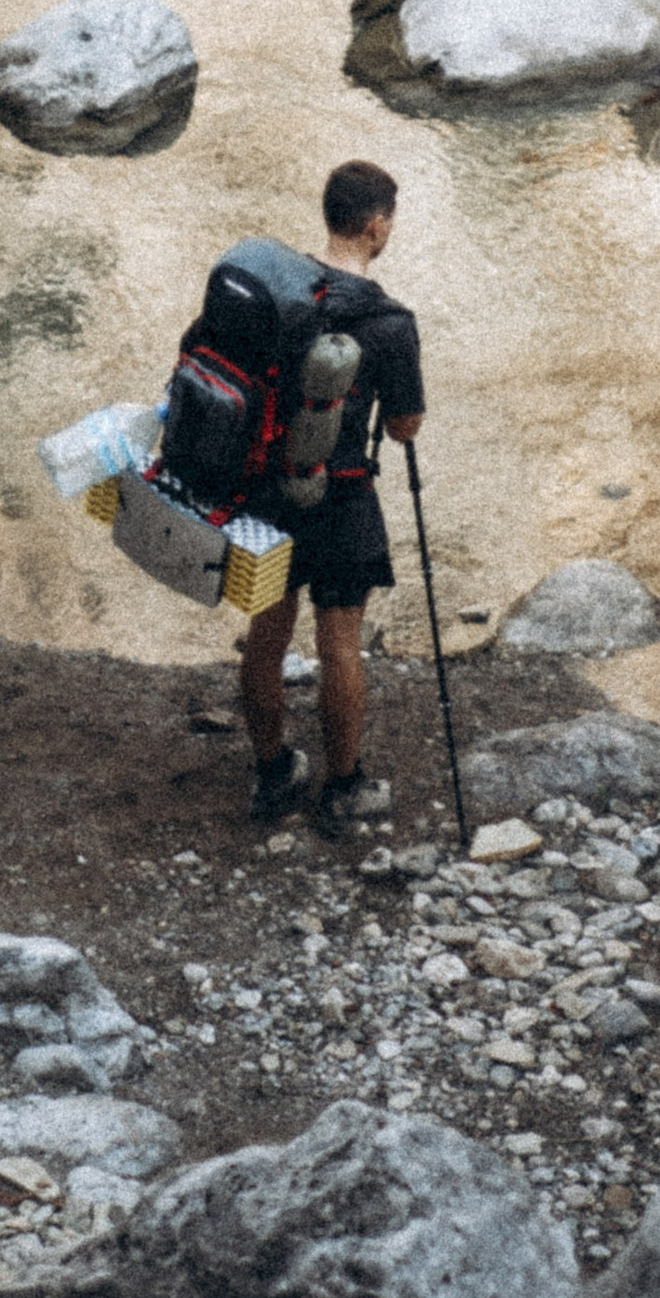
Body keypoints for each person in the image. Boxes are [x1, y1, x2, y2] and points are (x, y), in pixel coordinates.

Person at [239, 160, 426, 841]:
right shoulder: (391, 324)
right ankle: (344, 787)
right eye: (390, 222)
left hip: (268, 486)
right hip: (343, 495)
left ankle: (270, 772)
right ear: (376, 226)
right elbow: (404, 427)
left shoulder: (282, 291)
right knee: (338, 639)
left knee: (268, 630)